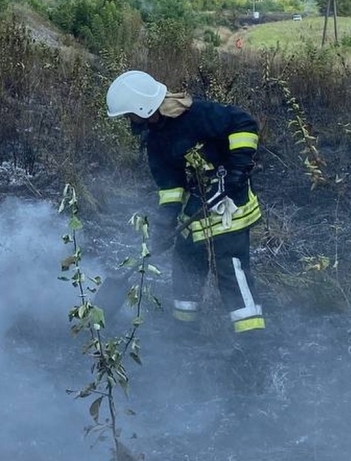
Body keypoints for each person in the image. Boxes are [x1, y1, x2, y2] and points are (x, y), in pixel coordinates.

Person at [106, 70, 265, 334]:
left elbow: (244, 124)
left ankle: (251, 341)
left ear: (143, 108)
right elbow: (170, 186)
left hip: (230, 204)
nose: (127, 120)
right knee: (185, 261)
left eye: (128, 114)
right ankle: (184, 331)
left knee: (230, 271)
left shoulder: (198, 115)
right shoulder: (156, 140)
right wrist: (165, 225)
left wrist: (238, 169)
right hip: (198, 205)